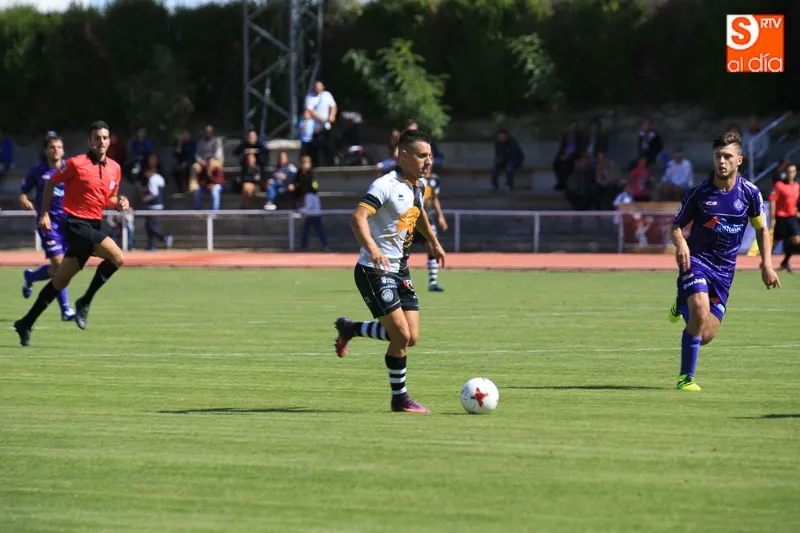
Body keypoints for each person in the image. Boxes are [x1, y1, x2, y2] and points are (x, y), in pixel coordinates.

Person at [332, 129, 446, 413]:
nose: (428, 161)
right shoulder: (384, 185)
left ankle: (351, 328)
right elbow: (357, 219)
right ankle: (400, 399)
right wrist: (372, 248)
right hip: (374, 270)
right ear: (403, 155)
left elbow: (418, 215)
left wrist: (433, 242)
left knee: (411, 337)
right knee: (401, 337)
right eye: (422, 156)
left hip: (400, 271)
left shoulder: (416, 186)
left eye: (430, 155)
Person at [667, 131, 780, 391]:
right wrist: (681, 242)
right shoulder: (698, 193)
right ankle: (686, 378)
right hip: (696, 262)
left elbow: (762, 230)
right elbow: (676, 227)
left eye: (728, 156)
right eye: (718, 156)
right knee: (699, 309)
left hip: (724, 271)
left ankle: (680, 303)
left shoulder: (750, 194)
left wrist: (767, 264)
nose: (722, 161)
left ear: (739, 160)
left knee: (704, 335)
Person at [14, 121, 130, 347]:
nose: (101, 142)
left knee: (59, 280)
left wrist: (119, 203)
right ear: (90, 141)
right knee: (118, 258)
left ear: (109, 140)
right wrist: (44, 213)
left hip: (93, 225)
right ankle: (84, 301)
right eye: (97, 138)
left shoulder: (115, 168)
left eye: (105, 138)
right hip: (75, 225)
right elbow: (50, 184)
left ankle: (25, 323)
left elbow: (109, 197)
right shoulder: (76, 164)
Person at [18, 134, 76, 321]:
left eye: (59, 147)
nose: (56, 150)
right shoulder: (38, 171)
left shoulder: (70, 169)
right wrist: (26, 201)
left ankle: (31, 277)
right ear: (46, 150)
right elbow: (23, 193)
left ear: (63, 149)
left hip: (67, 224)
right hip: (47, 223)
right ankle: (66, 310)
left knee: (59, 268)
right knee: (60, 266)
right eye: (52, 147)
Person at [415, 170, 448, 291]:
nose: (428, 161)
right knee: (402, 249)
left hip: (428, 218)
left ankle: (433, 282)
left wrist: (440, 216)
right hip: (411, 218)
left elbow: (435, 199)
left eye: (430, 156)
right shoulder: (412, 177)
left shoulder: (434, 179)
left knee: (432, 248)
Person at [769, 163, 800, 272]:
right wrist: (772, 218)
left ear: (796, 173)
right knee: (774, 242)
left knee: (796, 240)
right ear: (785, 173)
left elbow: (797, 201)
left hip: (792, 217)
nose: (791, 174)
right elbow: (772, 200)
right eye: (789, 171)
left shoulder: (797, 186)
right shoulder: (779, 185)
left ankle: (785, 262)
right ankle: (766, 262)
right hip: (781, 217)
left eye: (793, 171)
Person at [297, 185, 328, 251]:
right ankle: (325, 246)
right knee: (319, 232)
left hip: (311, 216)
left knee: (306, 232)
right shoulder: (316, 196)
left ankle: (303, 247)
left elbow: (309, 206)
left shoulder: (309, 195)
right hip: (317, 215)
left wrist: (300, 210)